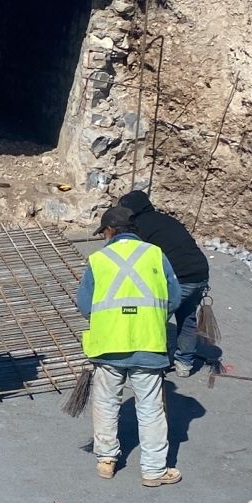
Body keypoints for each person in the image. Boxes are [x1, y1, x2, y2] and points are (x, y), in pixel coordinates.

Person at [78, 206, 182, 487]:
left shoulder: (98, 259)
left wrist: (109, 319)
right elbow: (174, 298)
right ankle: (153, 470)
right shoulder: (155, 254)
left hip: (108, 344)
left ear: (110, 231)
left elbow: (85, 304)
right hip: (148, 343)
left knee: (106, 402)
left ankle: (106, 460)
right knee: (150, 409)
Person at [118, 190, 211, 377]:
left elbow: (135, 258)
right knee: (187, 318)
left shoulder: (138, 226)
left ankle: (150, 365)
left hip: (180, 279)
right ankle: (184, 363)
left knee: (153, 320)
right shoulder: (167, 220)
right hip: (200, 274)